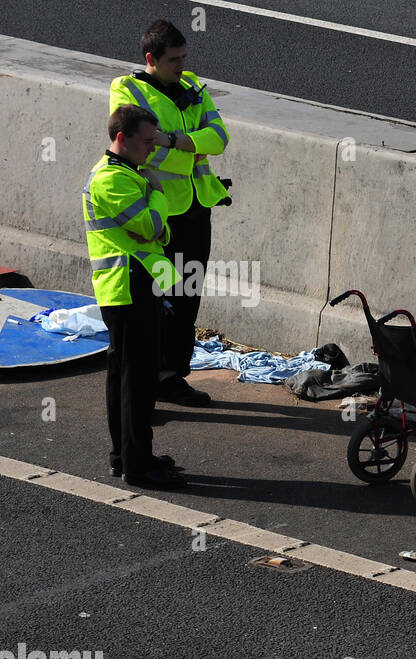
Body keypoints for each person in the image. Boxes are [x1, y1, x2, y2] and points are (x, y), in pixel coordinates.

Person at [110, 18, 230, 407]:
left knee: (186, 296)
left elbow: (219, 139)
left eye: (183, 56)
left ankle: (172, 376)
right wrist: (190, 149)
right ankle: (148, 383)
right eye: (173, 59)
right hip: (161, 217)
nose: (181, 65)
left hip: (196, 208)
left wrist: (176, 141)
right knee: (158, 299)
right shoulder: (128, 92)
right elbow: (141, 148)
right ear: (151, 58)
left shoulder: (192, 86)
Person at [83, 104, 187, 489]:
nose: (152, 149)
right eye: (146, 141)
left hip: (130, 286)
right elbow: (148, 226)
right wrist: (158, 195)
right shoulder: (112, 180)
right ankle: (138, 466)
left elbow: (151, 233)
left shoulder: (125, 174)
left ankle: (125, 456)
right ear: (122, 139)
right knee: (138, 382)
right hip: (129, 288)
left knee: (124, 378)